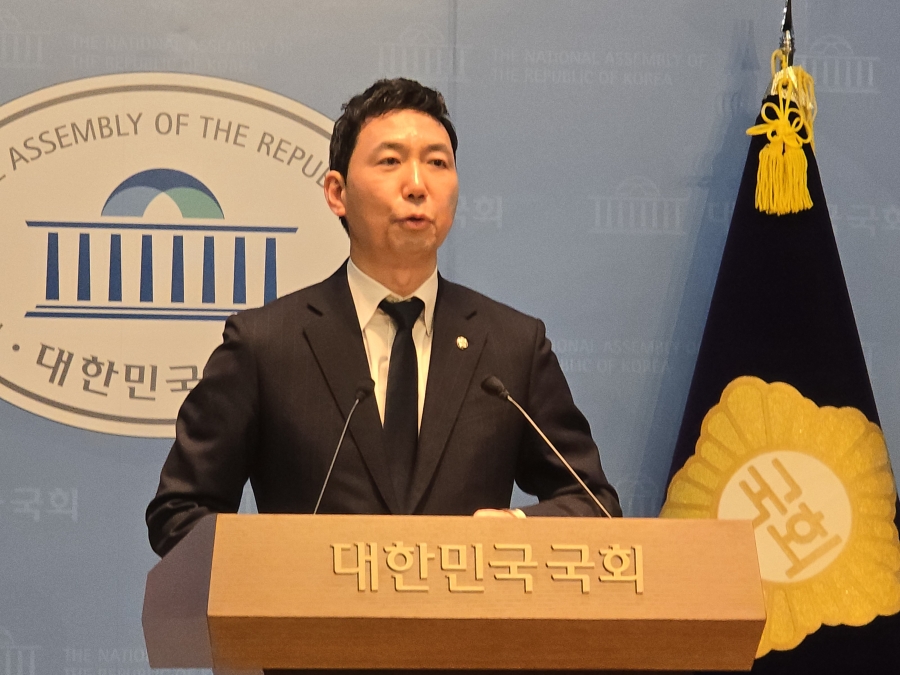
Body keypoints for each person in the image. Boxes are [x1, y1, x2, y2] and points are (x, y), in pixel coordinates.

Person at [146, 78, 621, 558]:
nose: (416, 186)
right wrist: (283, 564)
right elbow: (179, 512)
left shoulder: (511, 345)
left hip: (465, 605)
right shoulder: (266, 344)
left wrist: (515, 528)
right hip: (313, 606)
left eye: (437, 163)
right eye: (390, 161)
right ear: (337, 192)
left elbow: (593, 504)